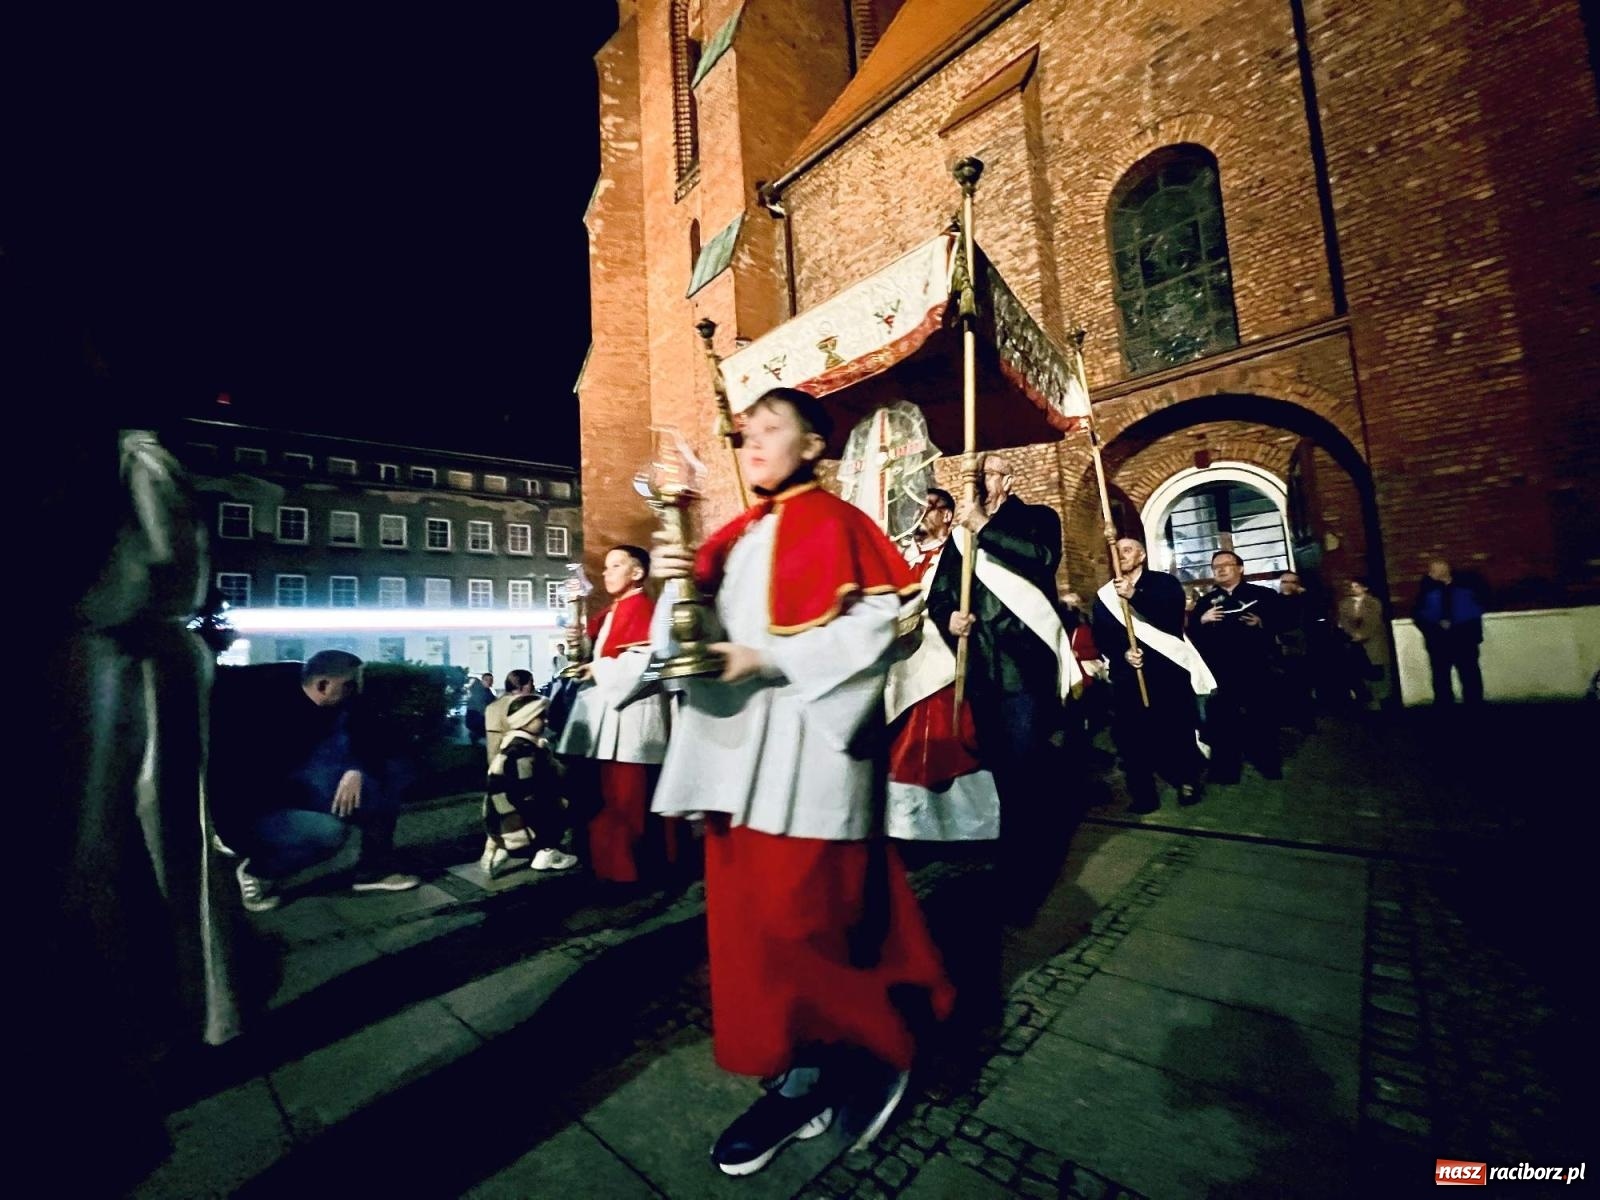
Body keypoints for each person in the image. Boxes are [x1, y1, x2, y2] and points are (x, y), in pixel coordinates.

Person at [650, 388, 952, 1177]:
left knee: (802, 927)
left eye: (771, 428)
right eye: (744, 431)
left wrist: (769, 657)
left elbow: (882, 626)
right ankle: (798, 1072)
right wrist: (674, 566)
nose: (750, 441)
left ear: (816, 445)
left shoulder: (841, 524)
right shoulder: (736, 537)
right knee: (749, 939)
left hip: (808, 756)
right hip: (736, 760)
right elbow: (680, 642)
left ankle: (873, 1047)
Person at [925, 453, 1081, 903]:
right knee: (1000, 770)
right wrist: (948, 618)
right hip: (980, 667)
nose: (982, 481)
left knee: (1024, 767)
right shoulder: (959, 536)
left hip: (1024, 663)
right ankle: (1015, 858)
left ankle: (1029, 871)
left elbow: (1042, 560)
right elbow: (940, 596)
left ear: (1008, 480)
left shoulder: (1036, 518)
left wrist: (983, 527)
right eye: (976, 475)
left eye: (989, 473)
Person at [220, 650, 420, 911]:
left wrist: (354, 769)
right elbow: (241, 779)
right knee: (329, 834)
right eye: (349, 685)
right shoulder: (264, 710)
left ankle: (372, 872)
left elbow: (367, 737)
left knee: (384, 778)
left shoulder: (339, 702)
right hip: (256, 806)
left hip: (302, 784)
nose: (355, 691)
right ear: (323, 685)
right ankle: (258, 871)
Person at [884, 487, 1000, 842]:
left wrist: (960, 617)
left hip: (944, 660)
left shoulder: (962, 551)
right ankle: (909, 827)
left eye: (928, 509)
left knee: (944, 737)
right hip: (902, 659)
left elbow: (982, 595)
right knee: (898, 740)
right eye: (915, 509)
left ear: (947, 515)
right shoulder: (902, 555)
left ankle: (965, 826)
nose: (919, 516)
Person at [556, 545, 675, 883]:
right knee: (605, 798)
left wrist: (599, 670)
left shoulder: (645, 609)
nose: (606, 572)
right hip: (605, 719)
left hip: (630, 719)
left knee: (628, 801)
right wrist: (577, 642)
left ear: (637, 573)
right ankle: (604, 866)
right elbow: (587, 657)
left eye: (616, 565)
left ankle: (628, 872)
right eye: (605, 566)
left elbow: (653, 663)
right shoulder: (610, 612)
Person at [1093, 538, 1214, 813]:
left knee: (1176, 731)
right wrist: (1123, 653)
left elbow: (1170, 616)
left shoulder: (1164, 583)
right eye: (1116, 551)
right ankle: (1143, 795)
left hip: (1167, 672)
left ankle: (1187, 781)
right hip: (1129, 676)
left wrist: (1134, 595)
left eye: (1127, 550)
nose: (1121, 555)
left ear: (1142, 555)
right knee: (1132, 738)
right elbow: (1102, 636)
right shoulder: (1105, 596)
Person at [1189, 550, 1283, 783]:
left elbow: (1284, 621)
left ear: (1240, 568)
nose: (1220, 569)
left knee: (1261, 717)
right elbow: (1191, 635)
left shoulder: (1263, 595)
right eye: (1215, 566)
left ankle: (1267, 762)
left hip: (1255, 667)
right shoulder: (1205, 601)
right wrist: (1202, 620)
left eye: (1226, 564)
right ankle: (1225, 769)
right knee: (1222, 721)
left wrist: (1262, 622)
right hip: (1220, 670)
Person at [484, 695, 577, 874]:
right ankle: (547, 853)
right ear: (525, 720)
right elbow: (524, 786)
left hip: (508, 809)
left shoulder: (519, 745)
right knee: (548, 823)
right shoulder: (523, 750)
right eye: (540, 717)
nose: (545, 721)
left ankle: (506, 851)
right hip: (522, 809)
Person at [478, 669, 538, 872]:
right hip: (519, 765)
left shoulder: (494, 706)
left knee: (499, 810)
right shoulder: (525, 706)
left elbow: (492, 742)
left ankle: (492, 851)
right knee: (522, 809)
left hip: (496, 763)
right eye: (531, 682)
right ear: (526, 684)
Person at [1412, 557, 1486, 706]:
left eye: (1433, 570)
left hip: (1463, 639)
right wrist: (1434, 629)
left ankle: (1473, 705)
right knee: (1442, 677)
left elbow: (1474, 611)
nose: (1430, 573)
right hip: (1440, 641)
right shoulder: (1427, 589)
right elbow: (1418, 616)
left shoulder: (1465, 587)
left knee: (1468, 675)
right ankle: (1445, 706)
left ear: (1443, 571)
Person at [1338, 577, 1393, 710]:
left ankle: (1380, 700)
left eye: (1356, 586)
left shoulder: (1373, 602)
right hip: (1354, 644)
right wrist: (1352, 633)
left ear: (1365, 588)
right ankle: (1366, 700)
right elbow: (1344, 621)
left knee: (1376, 671)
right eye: (1352, 587)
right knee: (1359, 671)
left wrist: (1363, 634)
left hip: (1372, 642)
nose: (1353, 589)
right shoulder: (1345, 604)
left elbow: (1373, 621)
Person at [1273, 570, 1318, 732]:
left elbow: (1315, 613)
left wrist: (1306, 595)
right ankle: (1289, 718)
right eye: (1284, 582)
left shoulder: (1303, 601)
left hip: (1301, 648)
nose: (1286, 585)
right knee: (1285, 684)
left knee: (1302, 684)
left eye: (1291, 582)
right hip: (1281, 647)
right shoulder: (1274, 601)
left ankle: (1306, 721)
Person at [464, 672, 495, 745]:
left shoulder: (487, 691)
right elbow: (481, 706)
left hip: (477, 716)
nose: (489, 682)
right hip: (476, 716)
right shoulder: (479, 691)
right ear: (482, 680)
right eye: (486, 680)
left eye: (490, 680)